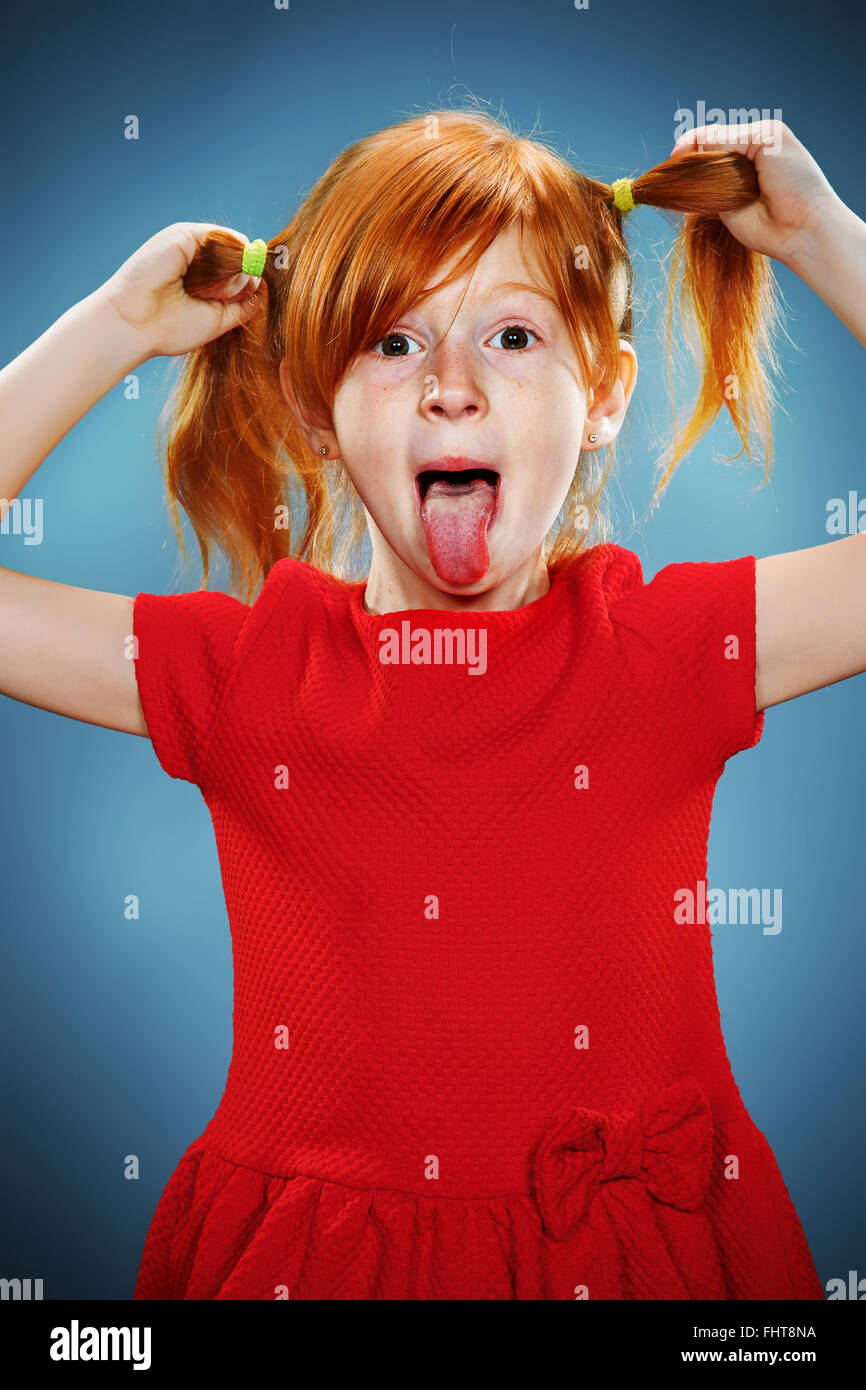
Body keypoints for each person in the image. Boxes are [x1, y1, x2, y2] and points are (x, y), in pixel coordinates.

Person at [2, 107, 864, 1300]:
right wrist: (110, 328)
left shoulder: (661, 654)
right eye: (392, 344)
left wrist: (823, 236)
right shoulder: (250, 674)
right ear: (315, 405)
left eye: (511, 334)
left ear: (604, 389)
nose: (451, 389)